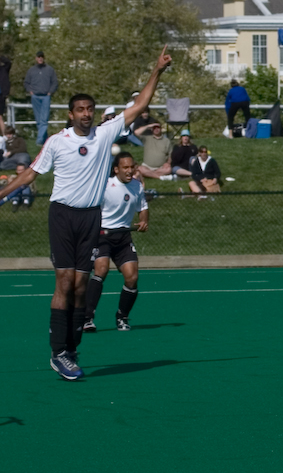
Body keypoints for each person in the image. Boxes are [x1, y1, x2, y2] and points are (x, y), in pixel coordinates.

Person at [0, 45, 171, 381]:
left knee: (81, 285)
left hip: (92, 218)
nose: (86, 114)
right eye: (80, 109)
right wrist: (3, 193)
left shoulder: (105, 133)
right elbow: (30, 174)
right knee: (64, 282)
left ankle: (72, 349)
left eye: (90, 109)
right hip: (63, 216)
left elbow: (140, 105)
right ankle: (58, 352)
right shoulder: (56, 142)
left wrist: (158, 70)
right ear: (70, 114)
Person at [83, 152, 149, 333]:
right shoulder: (105, 186)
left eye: (132, 167)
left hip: (123, 237)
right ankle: (87, 317)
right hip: (102, 235)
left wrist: (143, 220)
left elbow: (143, 208)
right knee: (101, 270)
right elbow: (91, 209)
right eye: (125, 168)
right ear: (116, 169)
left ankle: (122, 316)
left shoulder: (137, 186)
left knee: (132, 277)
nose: (130, 171)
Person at [24, 51, 59, 145]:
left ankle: (39, 140)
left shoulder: (49, 70)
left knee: (44, 119)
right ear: (36, 58)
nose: (40, 59)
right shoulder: (31, 70)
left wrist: (50, 92)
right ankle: (45, 139)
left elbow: (54, 82)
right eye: (38, 57)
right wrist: (30, 91)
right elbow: (26, 82)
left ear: (44, 58)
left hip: (45, 97)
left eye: (41, 57)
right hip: (35, 96)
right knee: (39, 120)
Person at [0, 54, 10, 134]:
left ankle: (5, 135)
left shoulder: (3, 69)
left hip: (1, 96)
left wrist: (0, 57)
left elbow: (8, 62)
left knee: (0, 117)